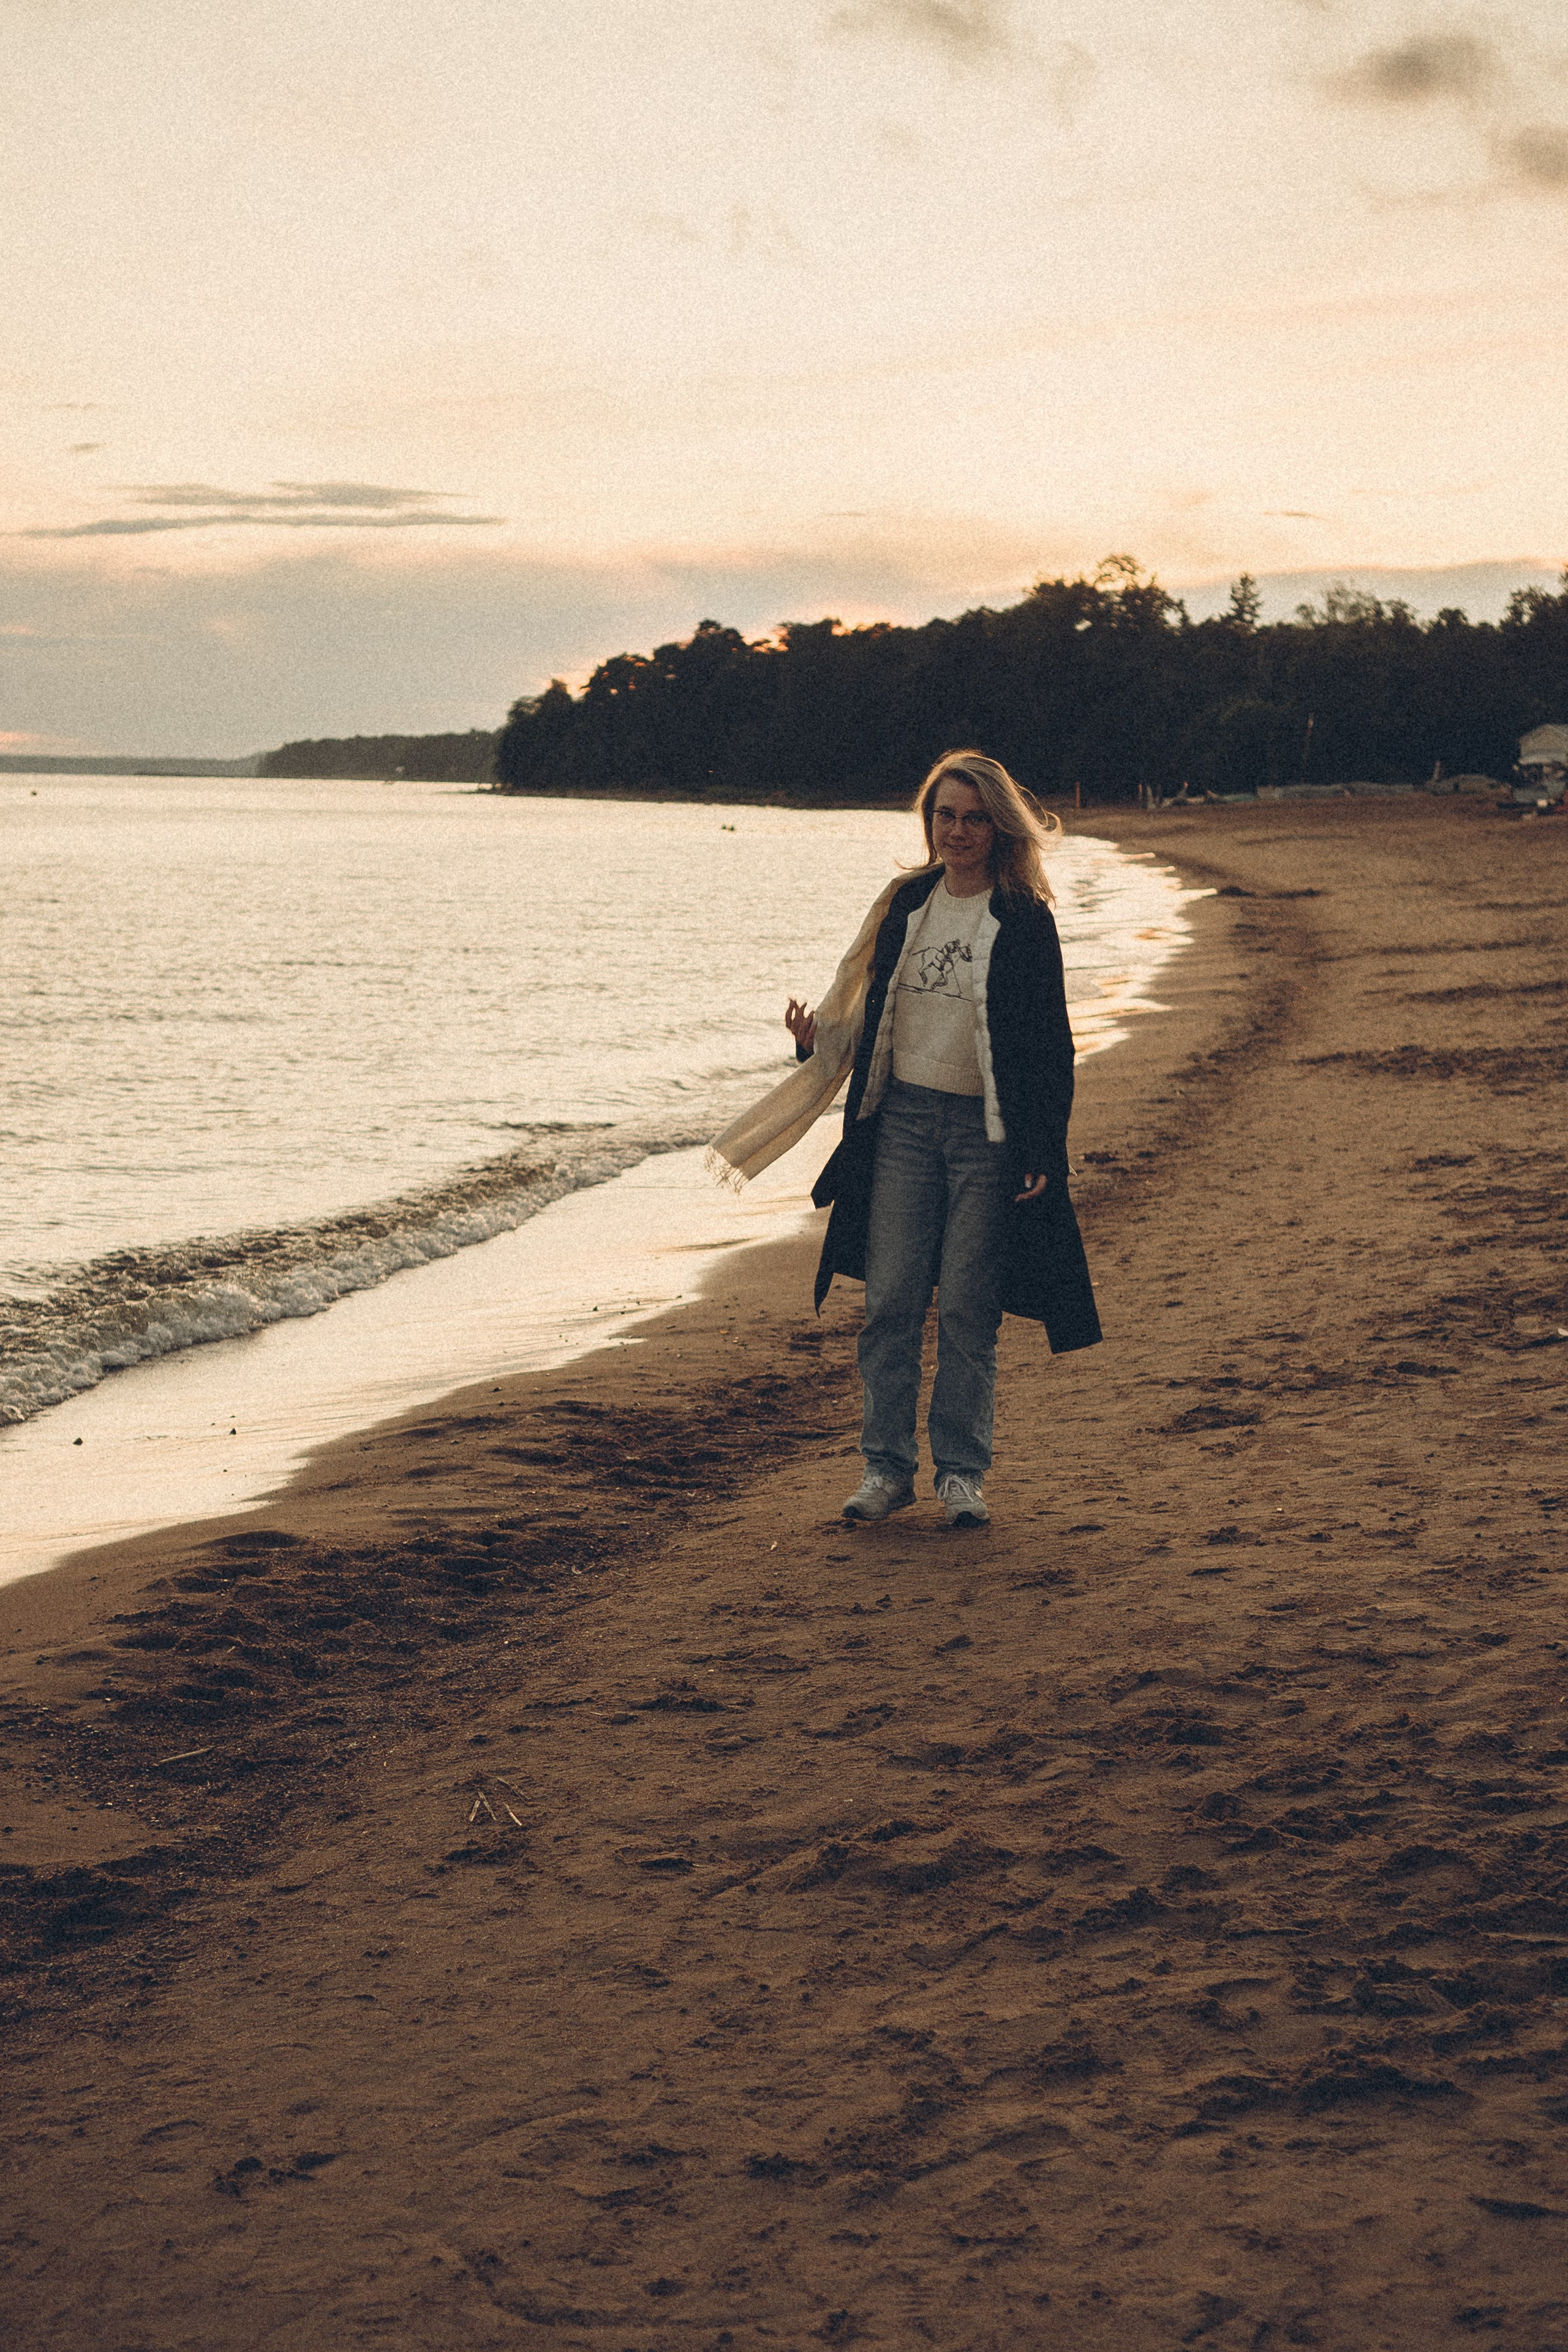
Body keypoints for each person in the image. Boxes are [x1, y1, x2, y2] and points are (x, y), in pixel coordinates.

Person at [706, 750, 1100, 1529]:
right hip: (902, 1127)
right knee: (888, 1303)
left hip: (984, 1136)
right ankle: (886, 1469)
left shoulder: (1023, 920)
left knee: (966, 1310)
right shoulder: (906, 904)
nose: (957, 831)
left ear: (999, 826)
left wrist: (1040, 1152)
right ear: (929, 821)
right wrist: (815, 1043)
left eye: (973, 817)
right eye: (944, 815)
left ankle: (961, 1474)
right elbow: (866, 1021)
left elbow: (1049, 1047)